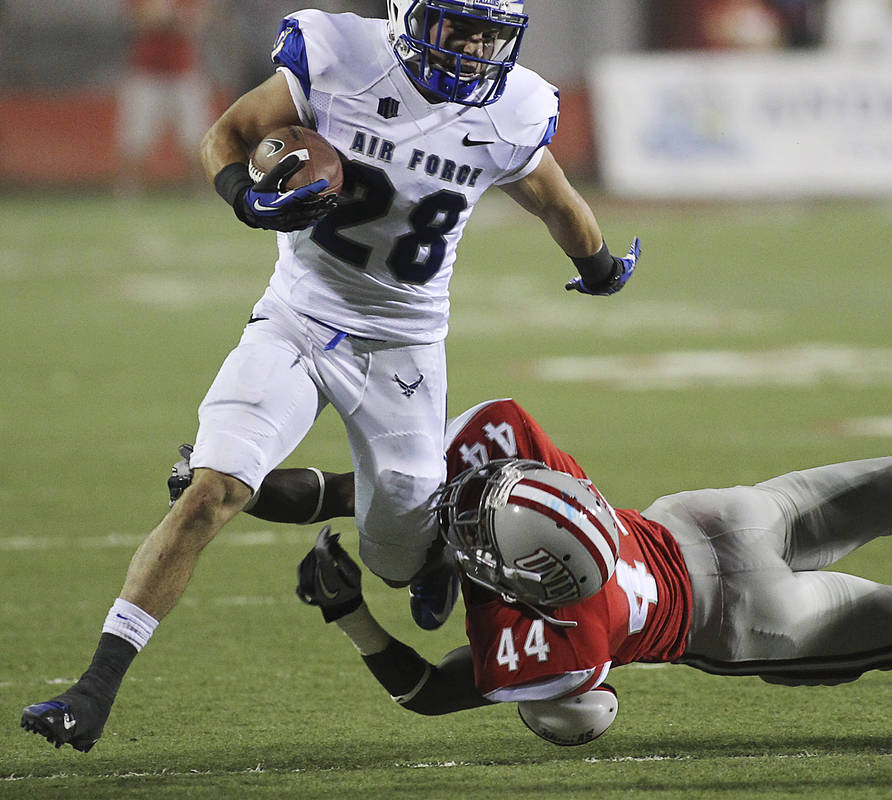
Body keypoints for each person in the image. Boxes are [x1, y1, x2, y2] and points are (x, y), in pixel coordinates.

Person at [20, 0, 639, 754]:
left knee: (394, 556)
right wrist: (242, 198)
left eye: (490, 35)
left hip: (404, 351)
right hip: (297, 318)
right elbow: (228, 134)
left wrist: (600, 266)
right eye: (460, 28)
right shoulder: (340, 53)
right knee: (212, 491)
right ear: (411, 16)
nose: (476, 49)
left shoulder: (513, 108)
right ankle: (94, 690)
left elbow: (557, 202)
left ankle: (412, 531)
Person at [75, 347, 892, 744]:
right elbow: (384, 486)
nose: (463, 517)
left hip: (738, 620)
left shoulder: (553, 642)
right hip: (714, 518)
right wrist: (229, 481)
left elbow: (427, 691)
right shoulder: (522, 470)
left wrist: (351, 610)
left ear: (522, 579)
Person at [115, 0, 213, 193]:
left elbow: (194, 23)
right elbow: (140, 20)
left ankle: (204, 193)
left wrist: (165, 16)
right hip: (147, 72)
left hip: (183, 70)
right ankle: (127, 193)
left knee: (197, 138)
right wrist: (166, 17)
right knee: (135, 139)